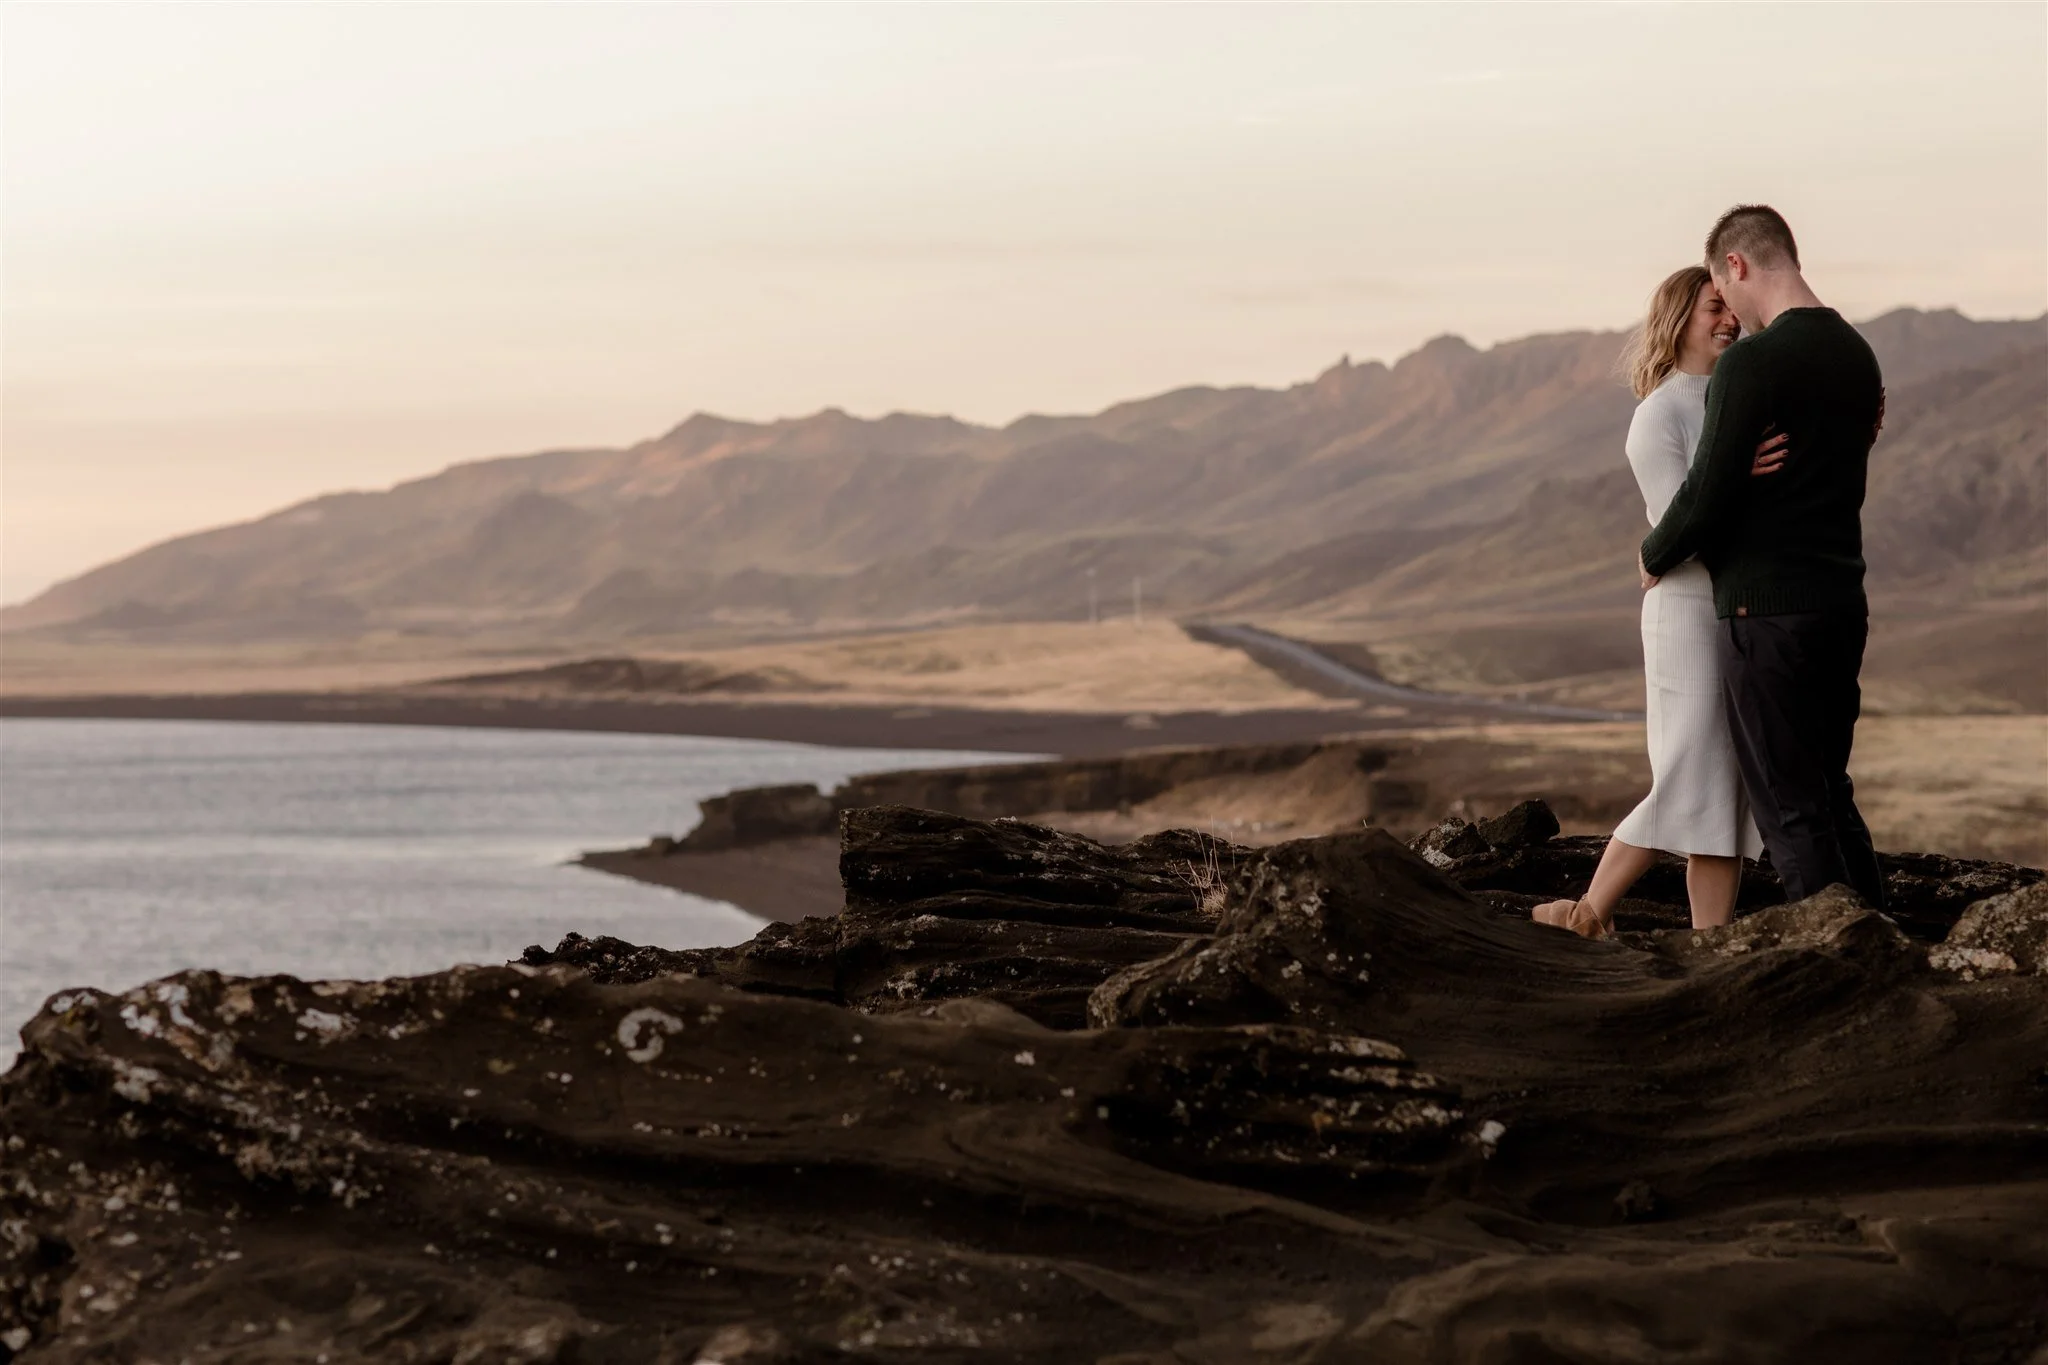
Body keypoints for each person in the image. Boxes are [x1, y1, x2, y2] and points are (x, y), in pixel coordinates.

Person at [1640, 204, 1887, 911]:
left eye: (1725, 286)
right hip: (1842, 604)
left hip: (1766, 614)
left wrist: (1654, 551)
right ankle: (1885, 949)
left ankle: (1838, 970)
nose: (1732, 313)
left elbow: (1707, 492)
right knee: (1831, 793)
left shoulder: (1752, 361)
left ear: (1738, 265)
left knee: (1790, 810)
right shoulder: (1855, 354)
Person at [1532, 266, 1782, 938]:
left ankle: (1710, 940)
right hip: (1685, 618)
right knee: (1687, 772)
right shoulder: (1658, 415)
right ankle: (1588, 912)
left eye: (1731, 309)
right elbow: (1685, 529)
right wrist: (1736, 476)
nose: (1729, 320)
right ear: (1678, 319)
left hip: (1734, 613)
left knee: (1724, 789)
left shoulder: (1738, 403)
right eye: (1713, 309)